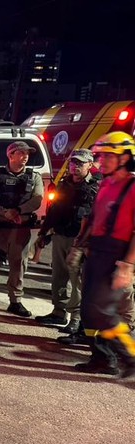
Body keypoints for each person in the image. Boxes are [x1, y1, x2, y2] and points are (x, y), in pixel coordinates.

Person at [72, 131, 135, 380]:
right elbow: (95, 219)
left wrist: (127, 265)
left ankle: (130, 356)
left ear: (124, 158)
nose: (103, 159)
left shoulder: (132, 186)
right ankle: (102, 358)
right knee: (88, 311)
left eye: (110, 155)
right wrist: (80, 246)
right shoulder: (106, 184)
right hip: (97, 251)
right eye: (102, 155)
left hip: (117, 255)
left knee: (103, 311)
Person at [0, 141, 44, 316]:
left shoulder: (33, 177)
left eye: (27, 154)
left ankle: (15, 301)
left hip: (21, 228)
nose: (25, 156)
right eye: (20, 153)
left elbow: (37, 199)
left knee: (19, 266)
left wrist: (19, 211)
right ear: (10, 155)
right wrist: (4, 212)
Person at [34, 149, 99, 333]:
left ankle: (76, 319)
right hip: (61, 235)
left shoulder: (94, 187)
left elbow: (94, 219)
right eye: (73, 162)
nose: (75, 166)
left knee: (76, 279)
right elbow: (54, 210)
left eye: (80, 163)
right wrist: (44, 232)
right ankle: (58, 312)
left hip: (78, 240)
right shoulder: (64, 184)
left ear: (89, 165)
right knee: (58, 275)